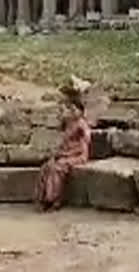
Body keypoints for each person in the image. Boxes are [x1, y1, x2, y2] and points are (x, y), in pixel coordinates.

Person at [34, 80, 92, 211]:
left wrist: (83, 134)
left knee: (57, 169)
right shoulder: (67, 123)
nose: (72, 111)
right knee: (46, 167)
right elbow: (62, 141)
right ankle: (42, 198)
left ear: (81, 112)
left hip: (78, 155)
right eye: (70, 109)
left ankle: (54, 200)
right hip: (65, 154)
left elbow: (87, 138)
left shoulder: (81, 124)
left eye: (74, 109)